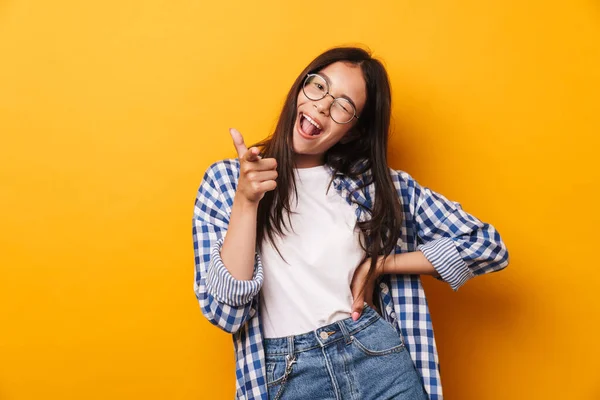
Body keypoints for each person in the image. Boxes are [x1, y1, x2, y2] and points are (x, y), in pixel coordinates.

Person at [192, 46, 509, 400]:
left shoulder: (380, 188)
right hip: (287, 377)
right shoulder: (226, 182)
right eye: (318, 86)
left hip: (377, 359)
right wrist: (248, 202)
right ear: (301, 88)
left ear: (353, 132)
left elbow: (487, 246)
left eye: (344, 106)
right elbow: (226, 313)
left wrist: (380, 264)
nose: (323, 106)